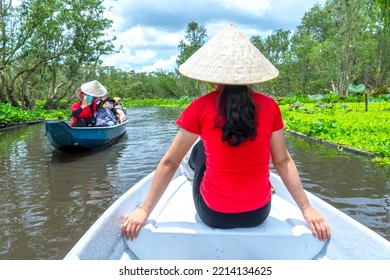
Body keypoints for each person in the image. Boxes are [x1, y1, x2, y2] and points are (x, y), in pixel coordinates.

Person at [121, 24, 331, 242]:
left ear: (212, 76)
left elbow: (170, 163)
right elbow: (283, 160)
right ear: (251, 75)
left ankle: (193, 172)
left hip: (214, 215)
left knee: (201, 147)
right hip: (258, 214)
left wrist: (144, 210)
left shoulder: (200, 106)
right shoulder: (270, 106)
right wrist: (307, 209)